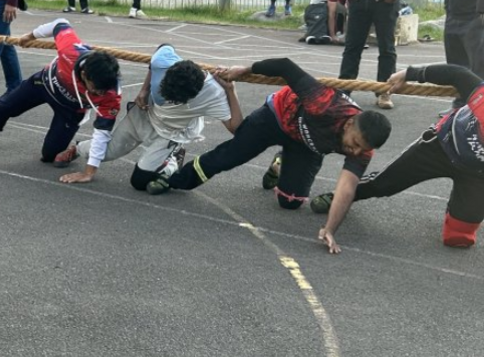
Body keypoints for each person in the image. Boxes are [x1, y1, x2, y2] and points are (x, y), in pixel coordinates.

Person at [156, 58, 393, 214]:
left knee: (291, 203)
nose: (354, 151)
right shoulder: (323, 103)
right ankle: (176, 179)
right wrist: (244, 70)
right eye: (354, 144)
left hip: (307, 144)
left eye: (360, 150)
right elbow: (285, 66)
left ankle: (281, 163)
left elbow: (347, 185)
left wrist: (330, 230)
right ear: (350, 124)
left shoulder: (364, 145)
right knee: (229, 156)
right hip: (277, 117)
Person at [311, 64, 483, 253]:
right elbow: (458, 74)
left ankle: (457, 207)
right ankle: (346, 195)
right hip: (440, 146)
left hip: (476, 174)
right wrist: (409, 74)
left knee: (458, 238)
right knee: (384, 184)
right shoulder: (481, 98)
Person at [56, 44, 243, 190]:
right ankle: (78, 148)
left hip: (171, 132)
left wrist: (231, 91)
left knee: (139, 181)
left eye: (172, 99)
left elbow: (237, 128)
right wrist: (144, 90)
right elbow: (163, 46)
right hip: (144, 114)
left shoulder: (213, 94)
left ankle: (172, 159)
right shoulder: (163, 62)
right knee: (106, 152)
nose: (165, 97)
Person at [0, 18, 122, 184]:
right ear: (84, 74)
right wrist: (31, 36)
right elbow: (60, 23)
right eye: (95, 88)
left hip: (71, 109)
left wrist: (88, 173)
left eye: (103, 91)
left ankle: (75, 148)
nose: (98, 93)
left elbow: (102, 132)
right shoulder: (71, 51)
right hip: (43, 85)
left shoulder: (111, 94)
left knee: (50, 155)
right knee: (2, 108)